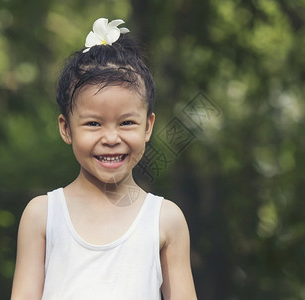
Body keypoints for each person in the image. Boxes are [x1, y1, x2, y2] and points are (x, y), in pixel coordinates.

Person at [11, 18, 197, 299]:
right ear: (66, 128)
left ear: (148, 126)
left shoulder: (165, 221)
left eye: (126, 123)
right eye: (94, 124)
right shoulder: (42, 216)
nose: (111, 138)